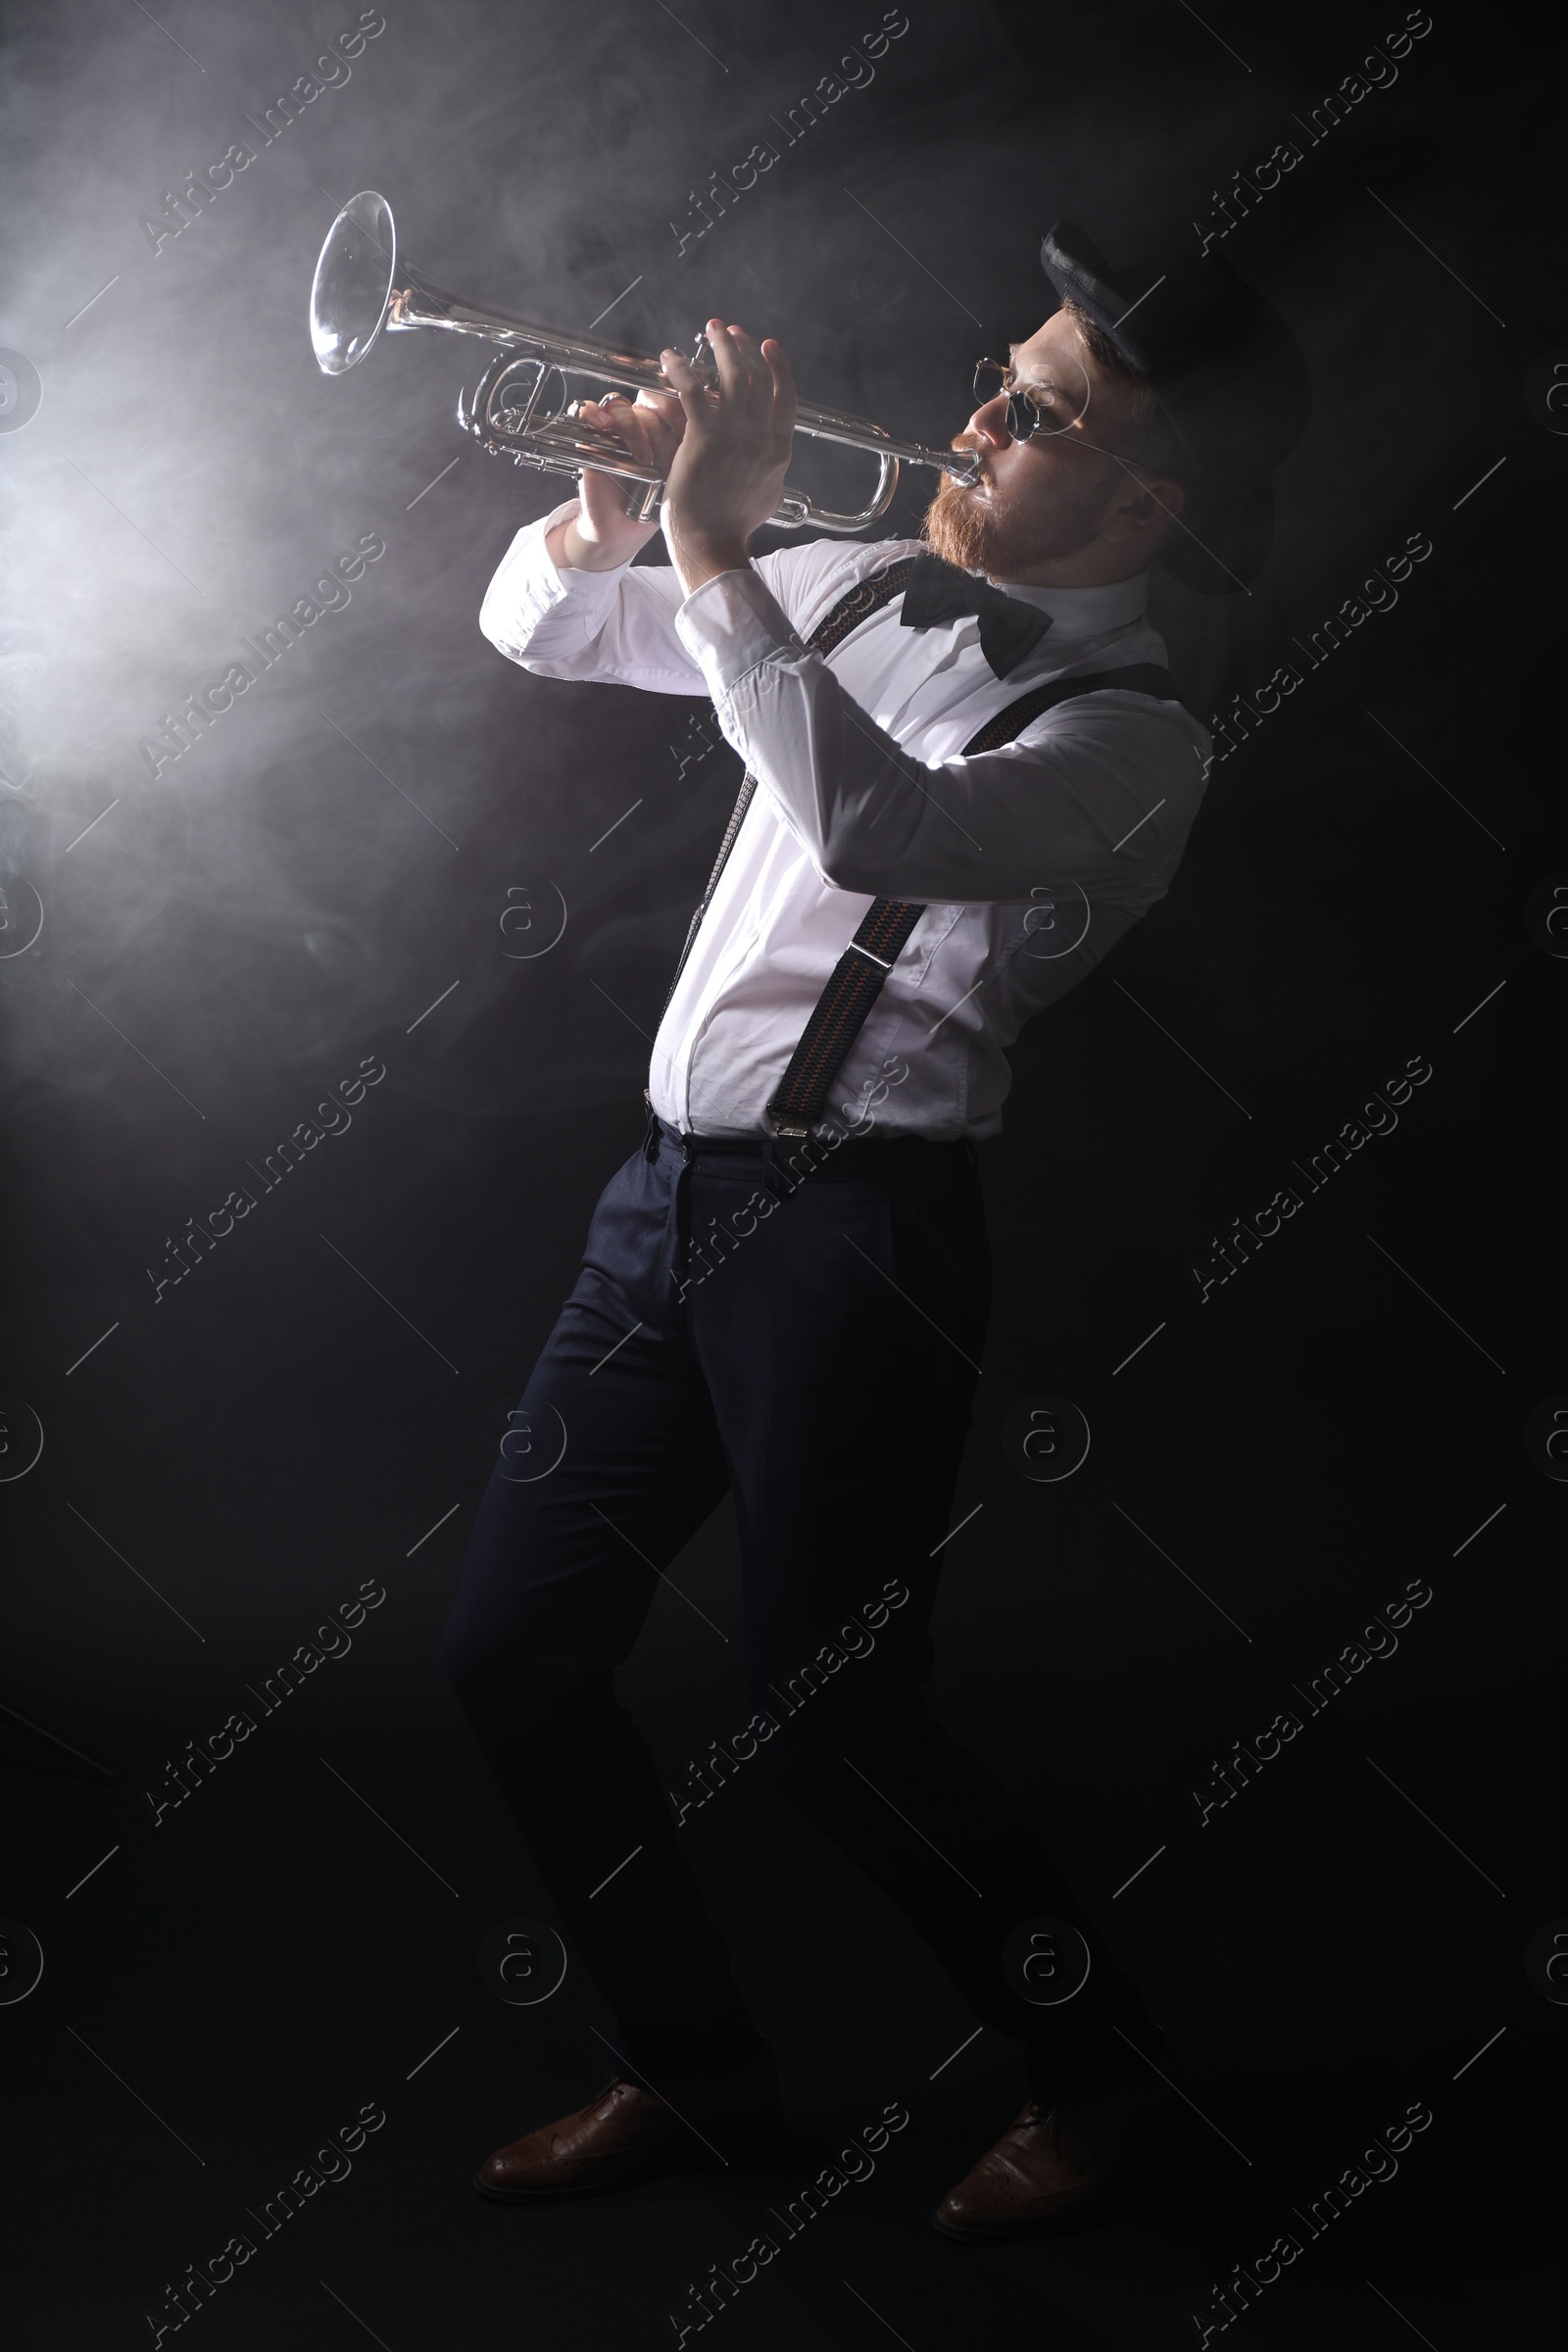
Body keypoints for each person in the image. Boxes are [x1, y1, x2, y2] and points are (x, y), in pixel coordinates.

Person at [443, 221, 1309, 2239]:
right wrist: (611, 509)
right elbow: (546, 635)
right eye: (998, 376)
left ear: (1148, 497)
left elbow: (877, 829)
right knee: (509, 1652)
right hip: (654, 1203)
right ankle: (697, 2065)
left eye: (1039, 414)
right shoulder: (846, 580)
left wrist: (720, 544)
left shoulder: (1134, 749)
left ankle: (1104, 2084)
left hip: (857, 1243)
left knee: (834, 1718)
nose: (973, 418)